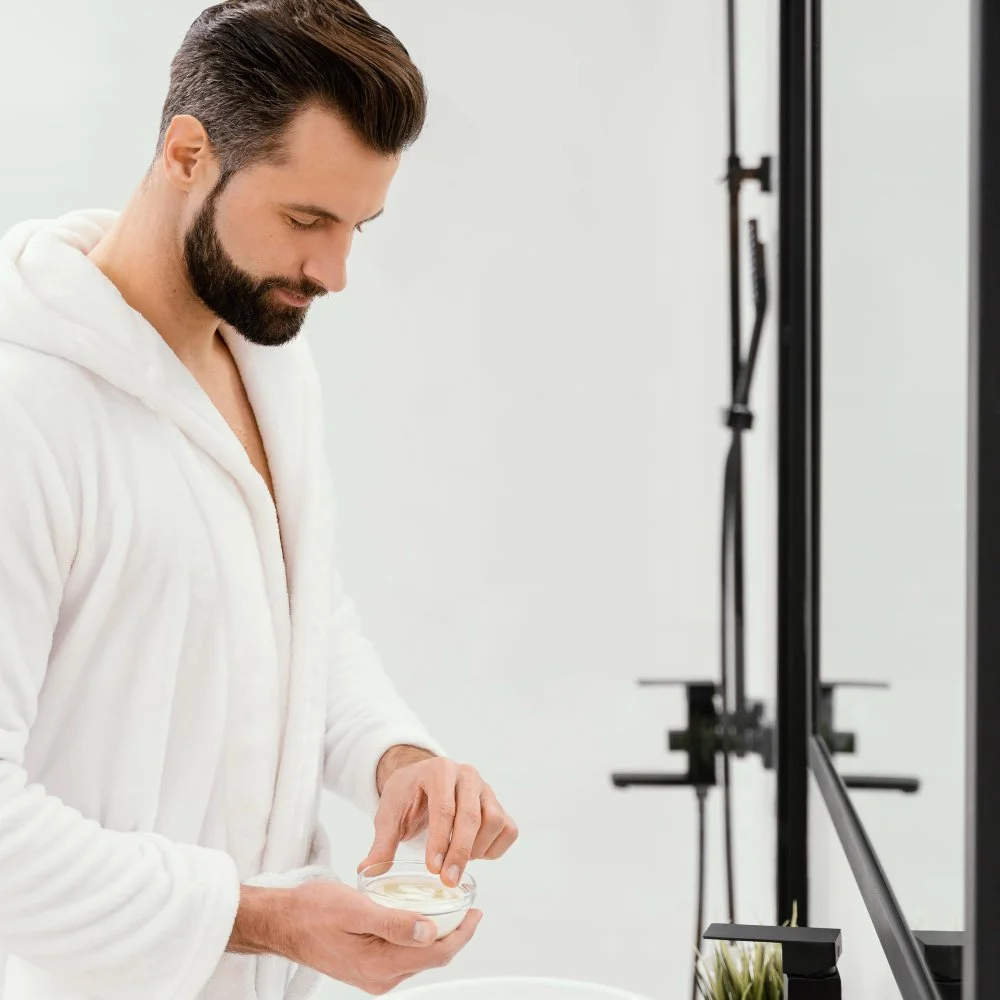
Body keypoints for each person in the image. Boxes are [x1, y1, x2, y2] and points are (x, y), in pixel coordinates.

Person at [0, 1, 517, 998]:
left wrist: (396, 756)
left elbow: (294, 615)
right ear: (186, 153)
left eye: (357, 224)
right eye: (305, 218)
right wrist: (261, 916)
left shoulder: (267, 362)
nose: (334, 271)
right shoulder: (25, 412)